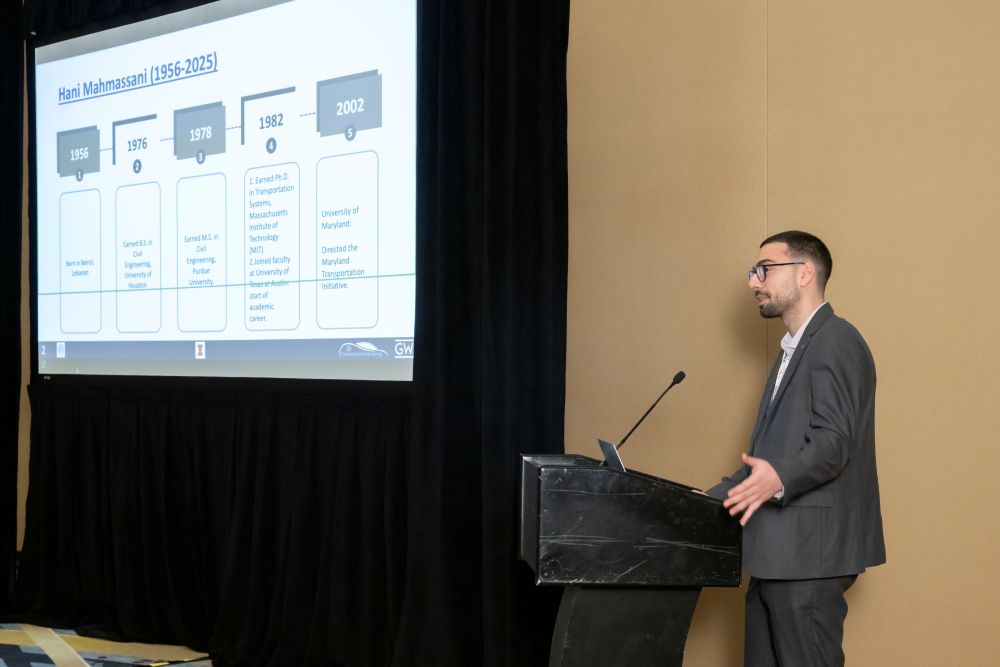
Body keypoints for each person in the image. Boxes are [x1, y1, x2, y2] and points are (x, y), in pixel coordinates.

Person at [708, 230, 885, 666]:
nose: (754, 281)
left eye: (764, 269)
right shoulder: (793, 349)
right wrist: (698, 501)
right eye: (754, 272)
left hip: (808, 559)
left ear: (805, 273)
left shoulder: (836, 341)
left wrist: (780, 477)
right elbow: (768, 459)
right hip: (775, 557)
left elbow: (833, 442)